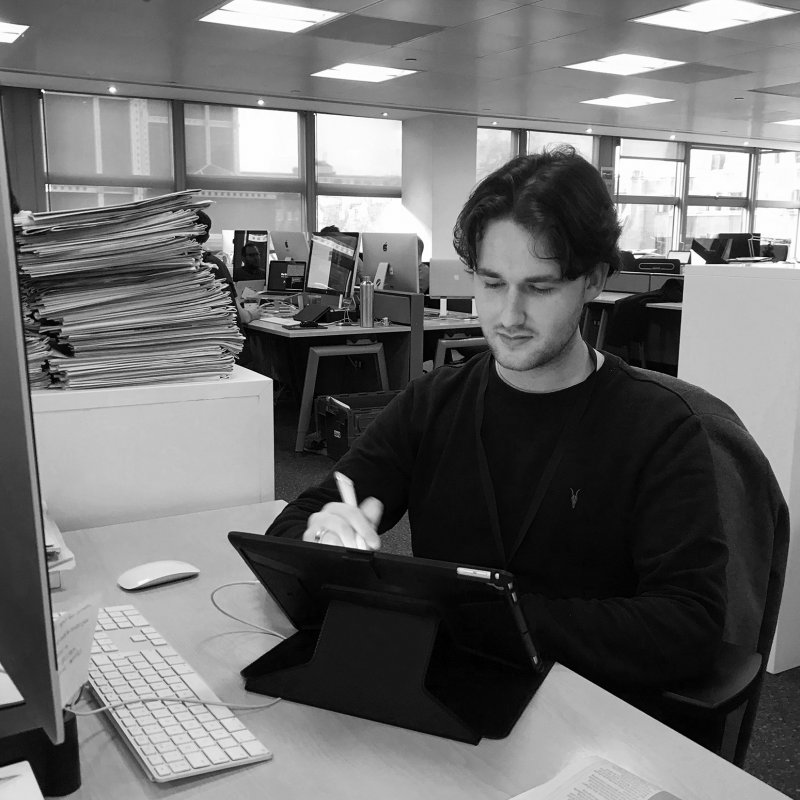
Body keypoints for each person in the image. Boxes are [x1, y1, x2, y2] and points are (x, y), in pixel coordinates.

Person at [265, 147, 739, 705]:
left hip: (591, 713)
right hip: (445, 695)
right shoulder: (434, 404)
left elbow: (689, 624)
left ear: (593, 281)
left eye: (539, 288)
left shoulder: (658, 427)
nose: (509, 316)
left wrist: (488, 617)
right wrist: (321, 538)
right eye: (491, 283)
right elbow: (295, 524)